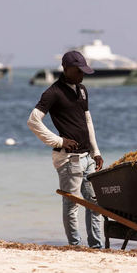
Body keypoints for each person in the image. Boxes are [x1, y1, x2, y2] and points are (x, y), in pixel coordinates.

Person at [27, 50, 104, 248]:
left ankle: (95, 246)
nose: (82, 75)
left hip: (87, 156)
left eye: (84, 71)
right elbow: (33, 121)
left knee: (94, 203)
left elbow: (87, 120)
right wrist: (58, 141)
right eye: (78, 71)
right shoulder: (53, 93)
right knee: (72, 205)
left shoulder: (82, 90)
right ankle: (75, 246)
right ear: (65, 69)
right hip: (68, 159)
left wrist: (96, 151)